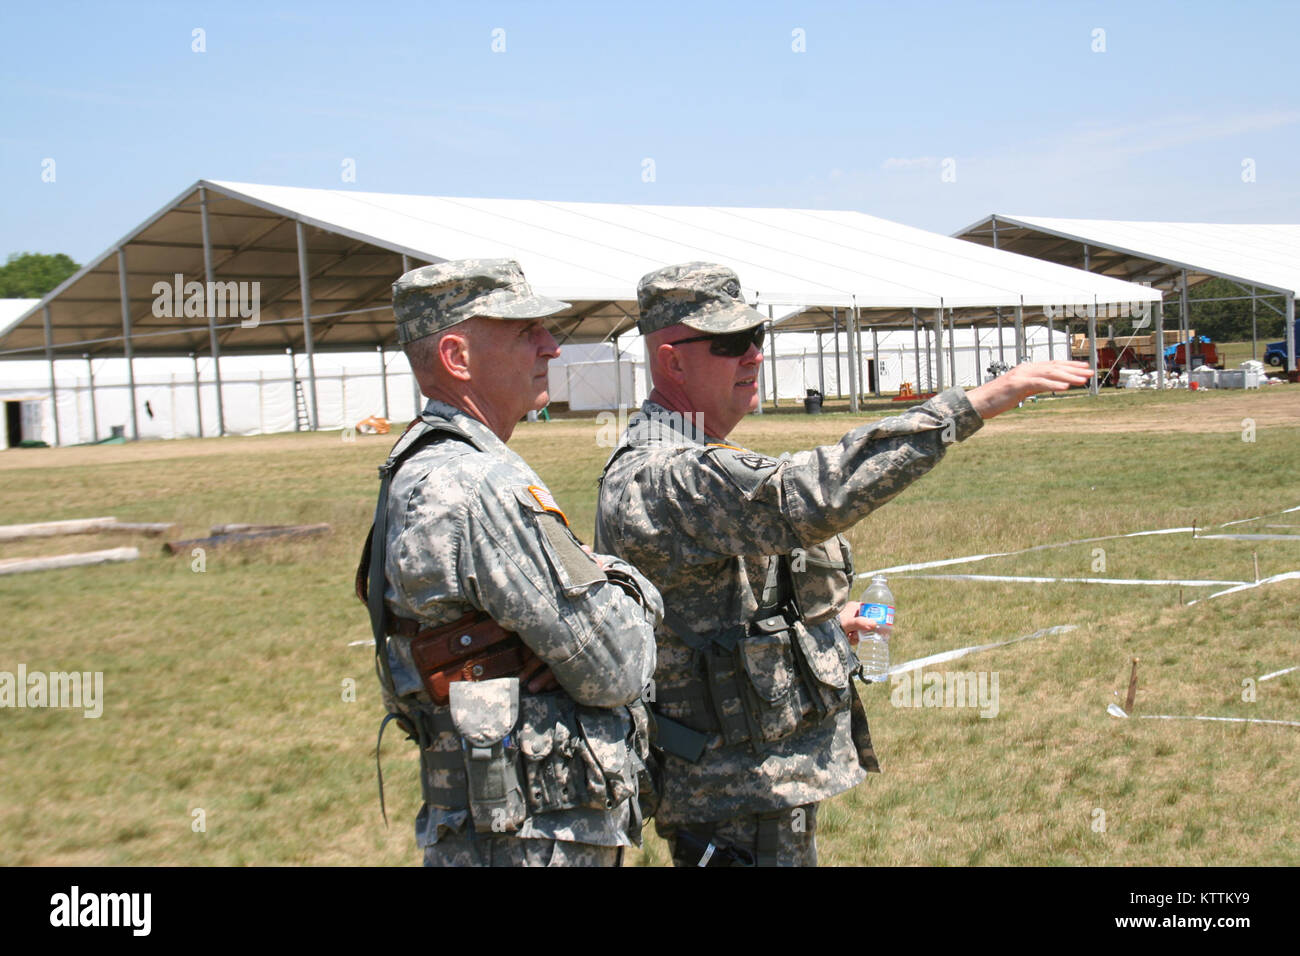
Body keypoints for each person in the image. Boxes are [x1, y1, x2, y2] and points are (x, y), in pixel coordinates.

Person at [594, 261, 1094, 867]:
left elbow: (718, 608)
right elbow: (809, 497)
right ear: (673, 360)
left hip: (757, 779)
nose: (753, 356)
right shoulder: (663, 470)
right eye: (730, 344)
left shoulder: (697, 453)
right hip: (732, 792)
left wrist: (826, 624)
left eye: (758, 338)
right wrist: (973, 404)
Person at [360, 258, 662, 867]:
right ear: (456, 357)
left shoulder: (417, 465)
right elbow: (618, 665)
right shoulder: (479, 483)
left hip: (488, 828)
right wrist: (629, 584)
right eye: (525, 331)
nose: (551, 346)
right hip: (533, 840)